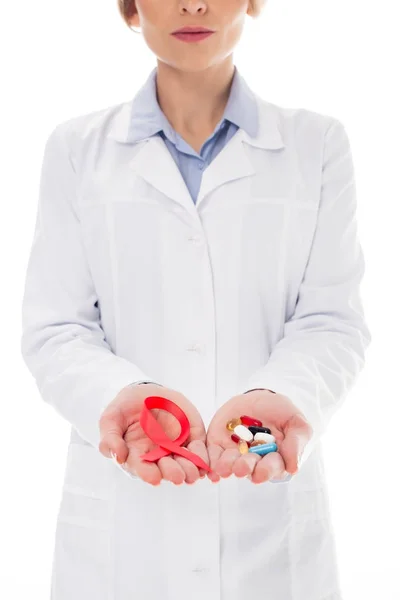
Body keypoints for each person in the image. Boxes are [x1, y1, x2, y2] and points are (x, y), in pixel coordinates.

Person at [20, 0, 371, 599]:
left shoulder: (316, 144)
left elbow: (331, 321)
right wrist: (120, 397)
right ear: (131, 6)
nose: (193, 4)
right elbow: (57, 329)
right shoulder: (77, 149)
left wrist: (276, 396)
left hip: (268, 530)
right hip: (120, 536)